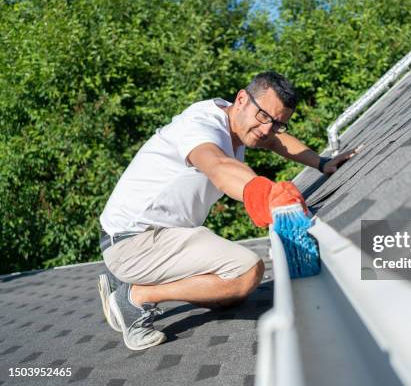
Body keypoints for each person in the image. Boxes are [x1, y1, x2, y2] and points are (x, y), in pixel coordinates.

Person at [97, 71, 357, 350]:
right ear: (242, 99)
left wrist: (321, 163)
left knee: (229, 298)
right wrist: (268, 197)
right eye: (264, 117)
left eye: (279, 123)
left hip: (158, 236)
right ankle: (134, 298)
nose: (268, 129)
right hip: (134, 240)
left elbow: (275, 141)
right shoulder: (201, 125)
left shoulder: (242, 124)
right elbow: (218, 166)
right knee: (246, 273)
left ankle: (133, 279)